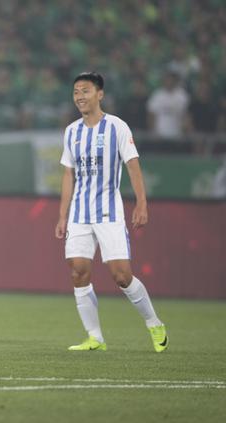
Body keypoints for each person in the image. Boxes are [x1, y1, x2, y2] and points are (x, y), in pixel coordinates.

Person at [55, 72, 168, 353]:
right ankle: (95, 337)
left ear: (100, 94)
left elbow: (132, 166)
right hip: (80, 213)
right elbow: (68, 175)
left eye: (85, 91)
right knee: (78, 271)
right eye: (76, 92)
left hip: (108, 212)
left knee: (121, 276)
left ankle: (154, 323)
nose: (80, 96)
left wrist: (141, 203)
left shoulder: (117, 127)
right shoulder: (71, 132)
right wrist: (62, 215)